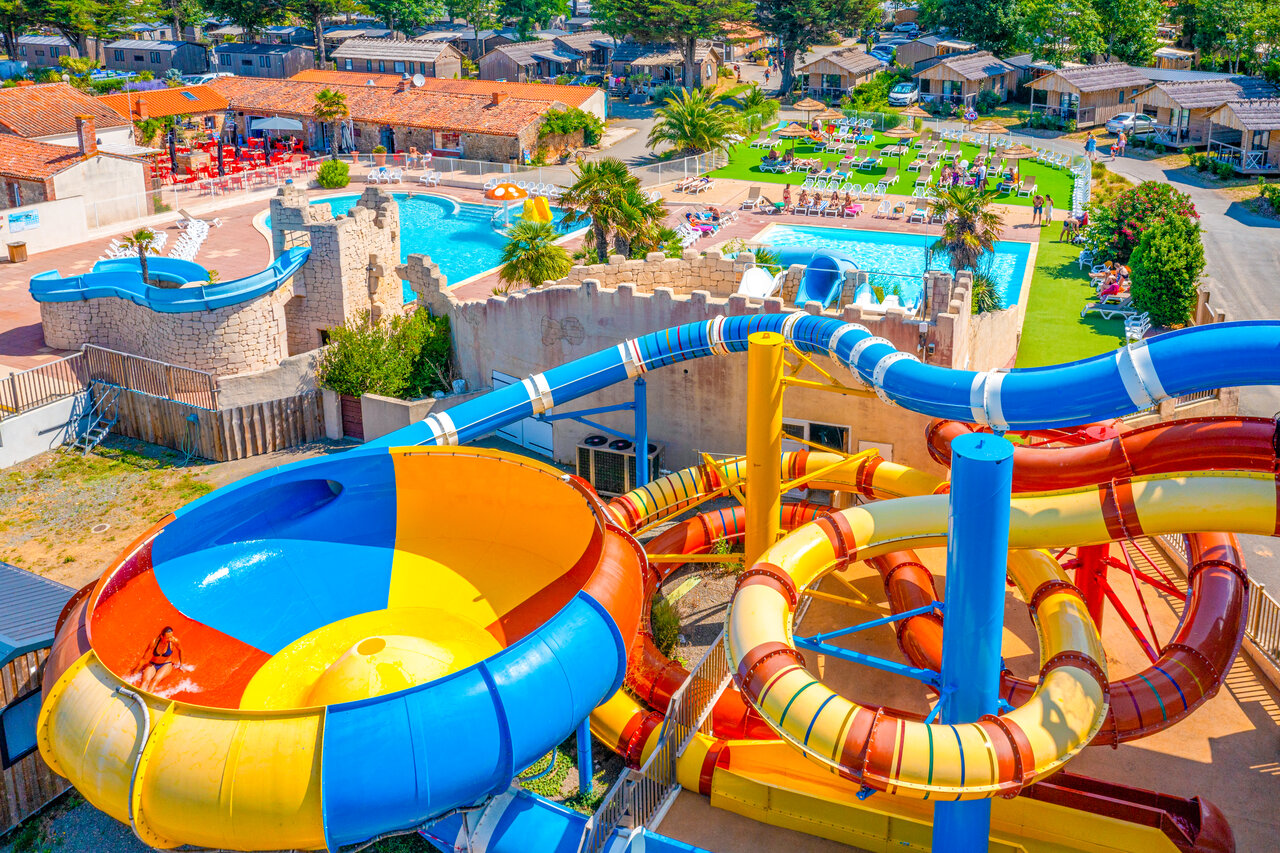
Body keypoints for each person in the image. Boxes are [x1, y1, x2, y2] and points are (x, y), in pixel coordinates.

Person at [138, 626, 183, 692]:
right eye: (167, 638)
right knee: (145, 681)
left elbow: (180, 650)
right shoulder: (154, 642)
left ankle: (147, 696)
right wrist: (136, 670)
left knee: (155, 681)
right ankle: (137, 695)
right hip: (153, 664)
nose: (170, 639)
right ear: (162, 636)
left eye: (171, 637)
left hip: (166, 664)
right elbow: (144, 658)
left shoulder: (174, 641)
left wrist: (181, 665)